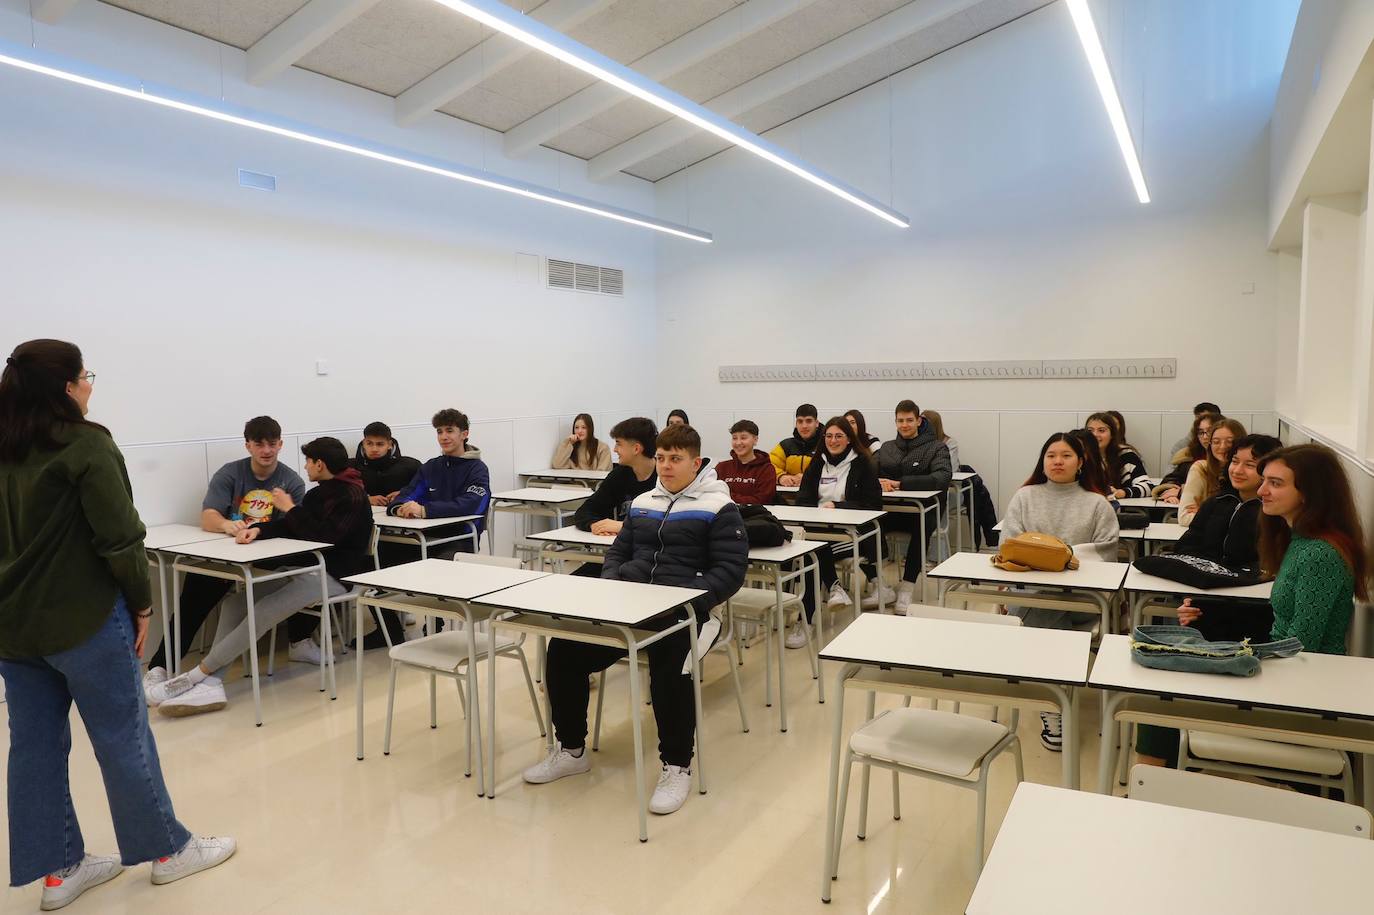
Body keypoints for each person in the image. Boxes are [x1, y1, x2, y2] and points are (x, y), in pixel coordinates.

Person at [0, 340, 234, 910]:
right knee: (121, 737)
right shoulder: (86, 445)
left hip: (12, 626)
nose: (90, 385)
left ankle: (59, 871)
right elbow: (121, 539)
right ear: (66, 387)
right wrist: (144, 605)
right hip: (82, 619)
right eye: (85, 375)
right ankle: (168, 851)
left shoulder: (5, 447)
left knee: (32, 746)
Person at [522, 424, 747, 815]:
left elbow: (729, 572)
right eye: (661, 458)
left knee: (671, 666)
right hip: (630, 608)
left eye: (675, 459)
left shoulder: (719, 508)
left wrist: (685, 603)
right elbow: (616, 555)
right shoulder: (645, 502)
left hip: (690, 615)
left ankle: (676, 765)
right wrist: (614, 591)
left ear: (696, 463)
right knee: (564, 650)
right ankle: (572, 750)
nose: (666, 466)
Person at [146, 438, 374, 716]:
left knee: (264, 610)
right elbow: (291, 527)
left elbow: (323, 537)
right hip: (304, 569)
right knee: (235, 604)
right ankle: (213, 683)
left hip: (336, 575)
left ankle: (194, 677)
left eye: (309, 461)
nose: (305, 467)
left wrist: (290, 508)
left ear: (319, 463)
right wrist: (258, 530)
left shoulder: (352, 495)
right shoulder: (319, 493)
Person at [1135, 434, 1282, 768]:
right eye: (1234, 461)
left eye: (1251, 464)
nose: (1239, 470)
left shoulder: (1273, 516)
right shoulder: (1217, 503)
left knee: (1167, 686)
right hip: (1204, 607)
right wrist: (1188, 598)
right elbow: (1188, 551)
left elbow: (1263, 574)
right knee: (1158, 678)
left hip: (1249, 620)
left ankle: (1167, 765)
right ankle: (1154, 776)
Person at [145, 415, 317, 686]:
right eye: (259, 444)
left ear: (281, 444)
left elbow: (295, 529)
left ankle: (297, 642)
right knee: (195, 591)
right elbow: (208, 516)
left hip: (270, 558)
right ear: (247, 445)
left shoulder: (291, 481)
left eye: (272, 444)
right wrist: (228, 525)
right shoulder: (230, 473)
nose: (266, 451)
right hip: (230, 555)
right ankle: (160, 666)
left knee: (303, 573)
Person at [1000, 432, 1119, 751]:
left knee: (1042, 609)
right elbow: (1009, 544)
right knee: (1042, 605)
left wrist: (1052, 557)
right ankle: (1059, 696)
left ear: (1081, 463)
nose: (1057, 461)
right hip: (1031, 591)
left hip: (1081, 598)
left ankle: (1053, 702)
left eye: (1066, 455)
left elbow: (1106, 552)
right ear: (1043, 460)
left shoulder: (1097, 504)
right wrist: (1059, 559)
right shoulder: (1025, 496)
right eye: (1051, 455)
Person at [1252, 444, 1367, 653]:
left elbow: (1300, 645)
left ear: (1308, 493)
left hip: (1308, 674)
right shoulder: (1297, 539)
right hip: (1286, 663)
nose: (1261, 491)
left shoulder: (1320, 554)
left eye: (1275, 484)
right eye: (1263, 481)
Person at [795, 417, 883, 642]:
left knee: (812, 553)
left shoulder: (863, 463)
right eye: (829, 436)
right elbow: (803, 497)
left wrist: (839, 506)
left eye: (838, 436)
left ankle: (806, 621)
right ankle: (832, 590)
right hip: (819, 530)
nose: (833, 441)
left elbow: (873, 503)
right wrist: (816, 510)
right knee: (812, 550)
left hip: (853, 534)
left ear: (849, 439)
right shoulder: (817, 463)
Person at [873, 400, 953, 611]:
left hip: (923, 512)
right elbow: (866, 471)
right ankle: (879, 585)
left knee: (921, 529)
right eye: (900, 420)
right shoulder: (887, 447)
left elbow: (942, 476)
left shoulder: (937, 447)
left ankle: (907, 588)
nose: (905, 425)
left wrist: (901, 483)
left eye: (909, 420)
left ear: (919, 421)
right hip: (890, 510)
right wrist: (877, 481)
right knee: (865, 526)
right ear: (895, 422)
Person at [387, 408, 490, 558]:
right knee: (385, 554)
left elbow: (470, 504)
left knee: (439, 566)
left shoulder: (478, 469)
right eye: (439, 432)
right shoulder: (431, 466)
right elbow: (409, 493)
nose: (444, 437)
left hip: (461, 539)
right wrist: (400, 507)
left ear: (464, 434)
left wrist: (425, 510)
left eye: (449, 431)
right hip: (426, 535)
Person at [568, 418, 658, 578]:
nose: (615, 449)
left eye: (619, 444)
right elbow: (585, 511)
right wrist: (595, 524)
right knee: (573, 583)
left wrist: (621, 526)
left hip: (653, 562)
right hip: (620, 556)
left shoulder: (664, 477)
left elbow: (668, 527)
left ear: (636, 448)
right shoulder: (620, 475)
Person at [1178, 418, 1246, 526]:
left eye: (1229, 441)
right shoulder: (1201, 469)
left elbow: (1247, 519)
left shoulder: (1245, 474)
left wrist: (1205, 513)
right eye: (1216, 442)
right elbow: (1184, 517)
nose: (1222, 446)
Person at [352, 421, 420, 507]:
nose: (374, 449)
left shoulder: (411, 466)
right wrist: (366, 499)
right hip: (363, 516)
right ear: (363, 443)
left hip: (402, 515)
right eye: (369, 443)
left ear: (390, 444)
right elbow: (338, 494)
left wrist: (405, 493)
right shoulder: (350, 467)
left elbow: (428, 489)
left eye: (380, 444)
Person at [1085, 411, 1150, 500]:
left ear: (1112, 434)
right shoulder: (1080, 456)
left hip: (1121, 509)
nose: (1095, 434)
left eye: (1101, 430)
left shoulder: (1126, 455)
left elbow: (1147, 486)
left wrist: (1122, 493)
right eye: (1090, 430)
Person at [1154, 411, 1218, 501]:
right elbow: (1169, 481)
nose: (1205, 437)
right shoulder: (1189, 456)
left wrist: (1182, 492)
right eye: (1201, 432)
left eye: (1209, 431)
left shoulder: (1229, 459)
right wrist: (1171, 492)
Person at [715, 419, 776, 505]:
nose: (738, 443)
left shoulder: (766, 470)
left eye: (743, 438)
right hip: (725, 514)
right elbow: (713, 495)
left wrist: (727, 497)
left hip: (754, 515)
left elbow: (762, 500)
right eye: (734, 438)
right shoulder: (722, 467)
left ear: (755, 440)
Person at [771, 403, 821, 487]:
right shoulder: (785, 445)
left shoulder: (826, 444)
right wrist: (781, 477)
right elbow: (768, 466)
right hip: (788, 496)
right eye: (800, 421)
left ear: (816, 423)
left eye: (808, 421)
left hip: (818, 497)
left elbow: (835, 472)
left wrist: (808, 478)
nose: (804, 426)